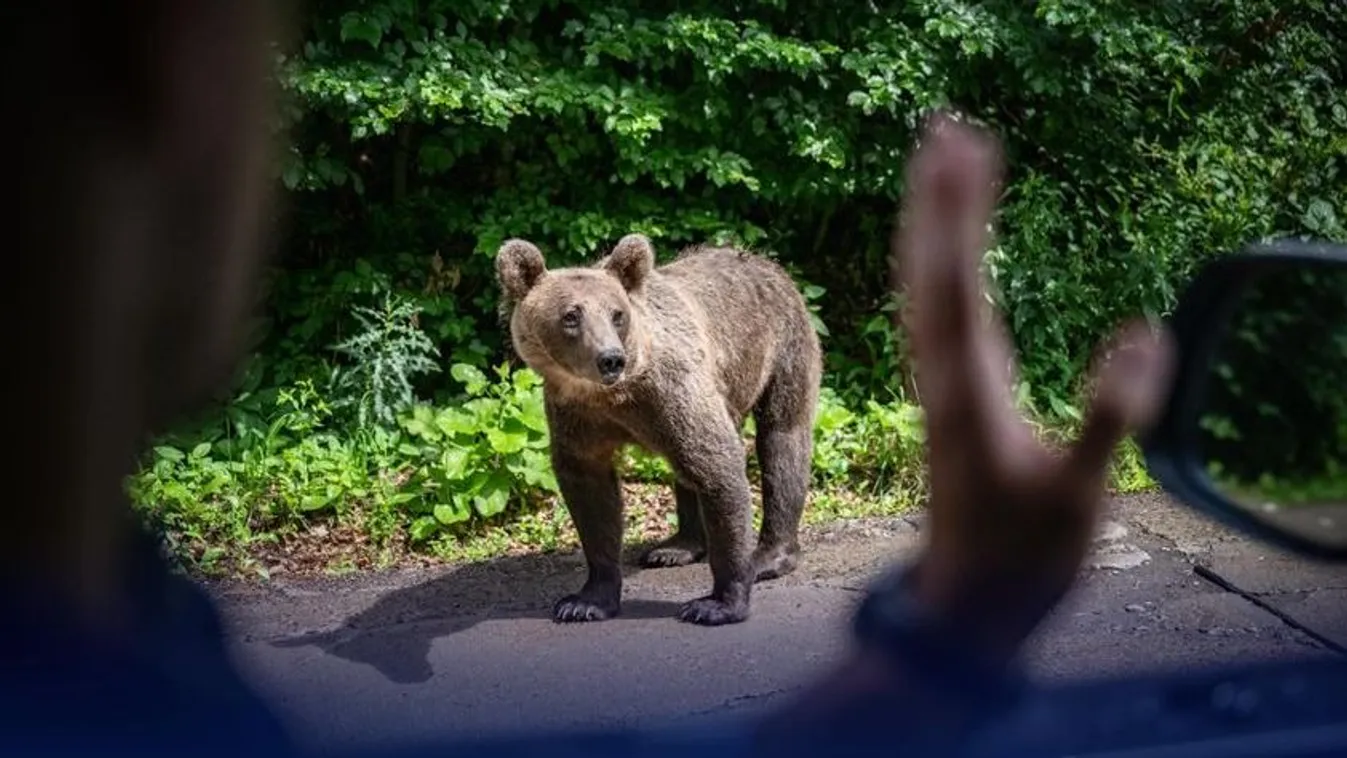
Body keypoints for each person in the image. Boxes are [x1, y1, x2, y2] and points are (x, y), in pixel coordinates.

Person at [1, 2, 1180, 757]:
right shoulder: (557, 348)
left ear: (631, 287)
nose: (605, 349)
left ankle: (757, 568)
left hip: (757, 332)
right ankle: (629, 577)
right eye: (575, 333)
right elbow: (591, 477)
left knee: (744, 471)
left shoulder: (140, 639)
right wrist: (952, 637)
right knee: (604, 490)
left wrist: (793, 589)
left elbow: (703, 455)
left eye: (608, 325)